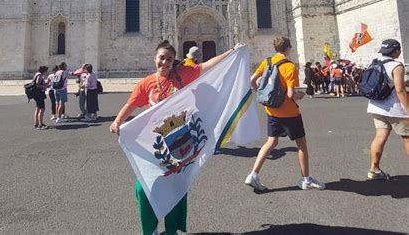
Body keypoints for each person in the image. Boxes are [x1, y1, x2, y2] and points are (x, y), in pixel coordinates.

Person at [109, 40, 243, 235]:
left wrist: (232, 51)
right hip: (153, 143)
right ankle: (150, 230)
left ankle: (172, 230)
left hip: (180, 140)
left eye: (169, 59)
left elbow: (206, 66)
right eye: (161, 58)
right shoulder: (146, 83)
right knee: (143, 188)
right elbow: (131, 105)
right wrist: (117, 121)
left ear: (174, 61)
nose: (165, 62)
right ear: (155, 58)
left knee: (175, 187)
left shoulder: (183, 75)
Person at [245, 36, 325, 191]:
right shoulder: (289, 66)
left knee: (271, 142)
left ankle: (253, 174)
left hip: (271, 109)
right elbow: (290, 94)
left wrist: (260, 93)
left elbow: (252, 80)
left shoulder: (267, 61)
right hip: (289, 113)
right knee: (301, 145)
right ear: (288, 48)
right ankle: (306, 179)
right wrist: (300, 95)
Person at [367, 39, 409, 180]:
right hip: (395, 108)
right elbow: (400, 90)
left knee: (380, 137)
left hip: (376, 105)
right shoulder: (397, 65)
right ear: (396, 51)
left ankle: (374, 169)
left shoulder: (374, 62)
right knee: (407, 137)